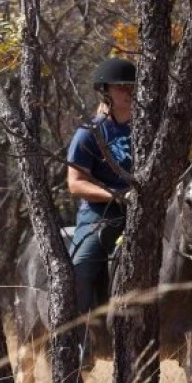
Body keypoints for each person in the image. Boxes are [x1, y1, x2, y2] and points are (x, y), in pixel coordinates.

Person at [66, 57, 137, 327]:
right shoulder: (89, 133)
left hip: (145, 213)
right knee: (81, 268)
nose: (128, 92)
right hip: (100, 215)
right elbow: (75, 183)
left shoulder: (146, 130)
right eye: (121, 87)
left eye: (132, 86)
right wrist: (116, 196)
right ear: (105, 91)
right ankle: (77, 340)